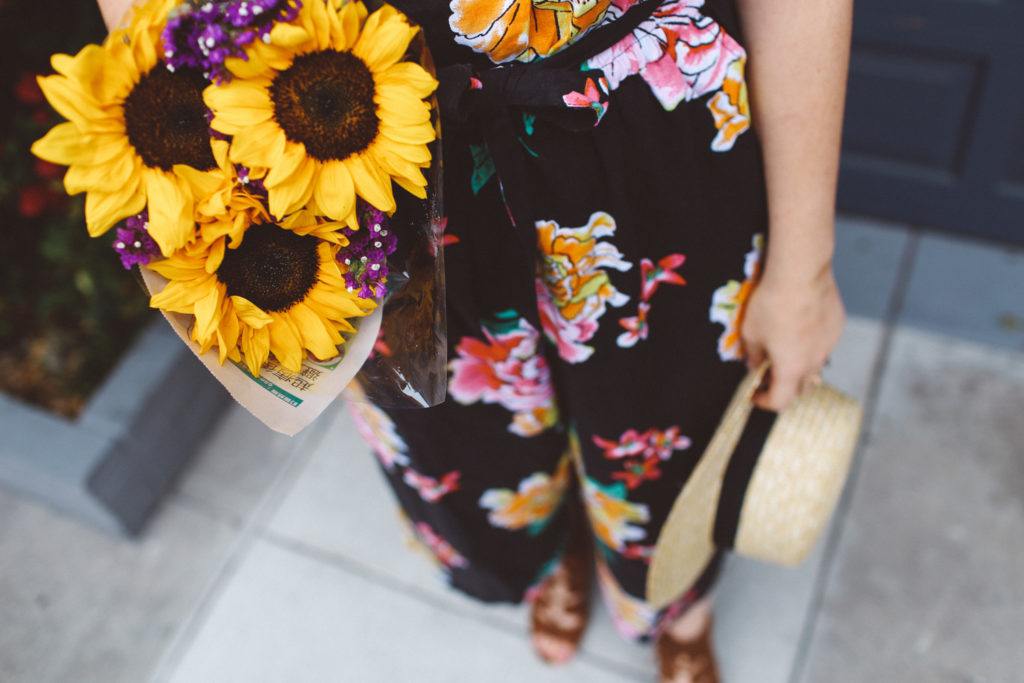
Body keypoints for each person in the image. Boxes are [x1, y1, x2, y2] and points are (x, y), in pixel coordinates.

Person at [94, 0, 850, 680]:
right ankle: (552, 553)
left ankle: (675, 603)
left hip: (641, 118)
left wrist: (804, 271)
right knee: (459, 433)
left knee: (671, 421)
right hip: (358, 137)